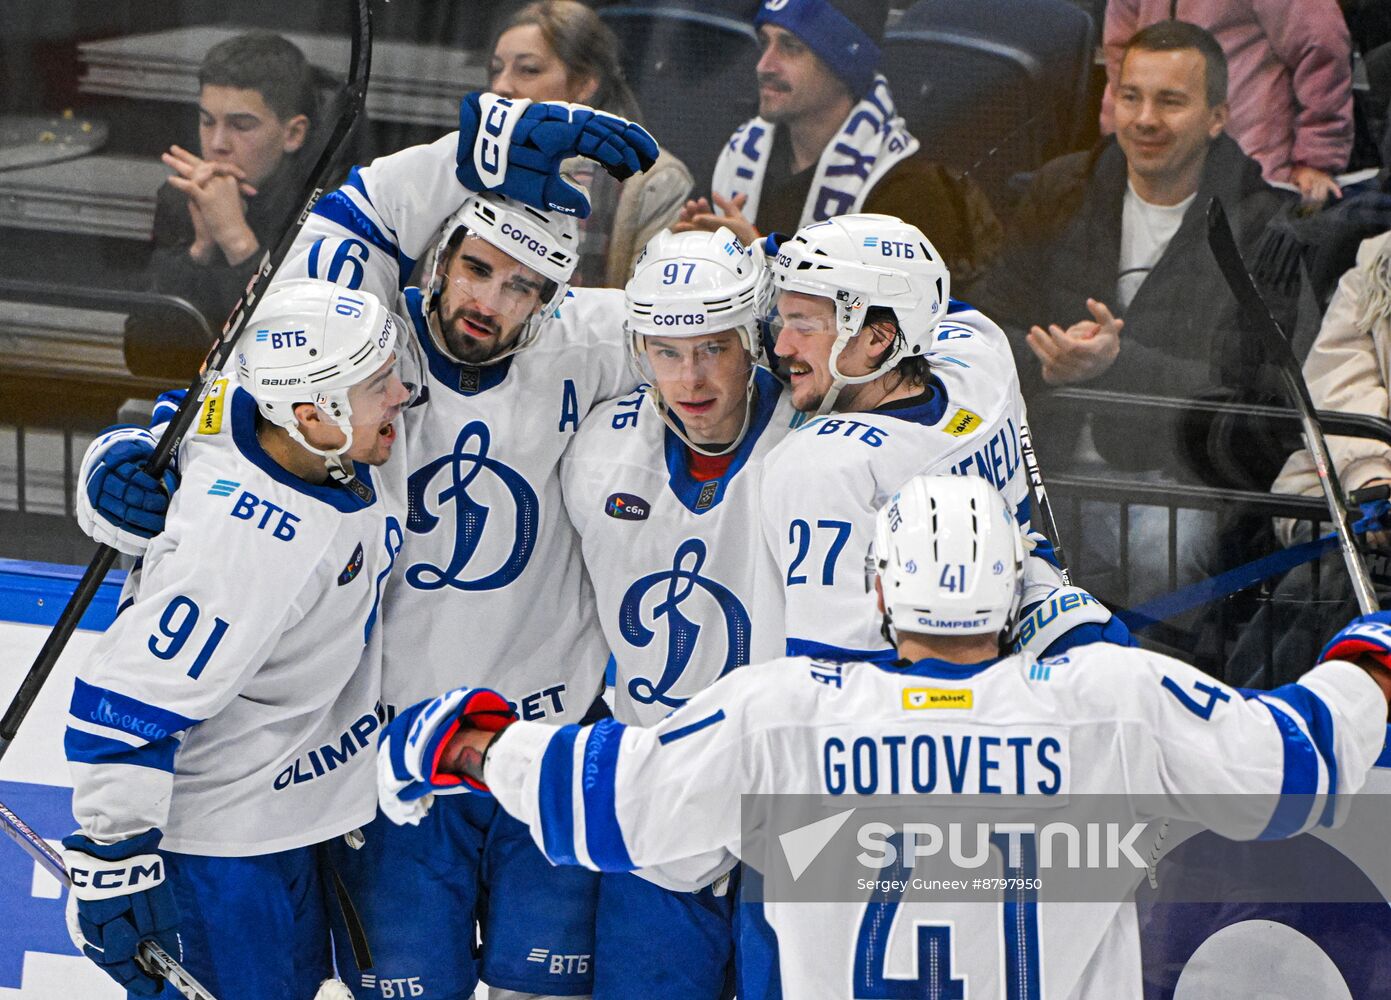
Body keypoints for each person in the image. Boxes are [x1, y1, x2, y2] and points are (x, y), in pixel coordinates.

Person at [378, 472, 1391, 999]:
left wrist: (466, 743)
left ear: (875, 592)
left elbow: (606, 800)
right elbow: (1286, 768)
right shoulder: (1105, 698)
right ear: (1012, 593)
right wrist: (1368, 658)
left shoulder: (783, 708)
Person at [73, 94, 662, 1000]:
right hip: (388, 768)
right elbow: (330, 252)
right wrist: (132, 471)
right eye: (475, 268)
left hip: (530, 739)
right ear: (438, 257)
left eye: (520, 287)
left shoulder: (580, 344)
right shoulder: (357, 338)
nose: (487, 301)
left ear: (551, 302)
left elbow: (750, 331)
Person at [63, 279, 412, 998]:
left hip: (288, 820)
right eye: (381, 385)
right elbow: (125, 707)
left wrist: (131, 448)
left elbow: (200, 411)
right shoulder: (245, 548)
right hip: (215, 854)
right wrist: (114, 861)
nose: (403, 396)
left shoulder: (266, 412)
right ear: (317, 414)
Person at [974, 20, 1303, 602]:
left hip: (1175, 488)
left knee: (1162, 552)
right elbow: (983, 320)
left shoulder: (1260, 225)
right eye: (1131, 97)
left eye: (1170, 101)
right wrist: (1047, 358)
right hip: (1039, 469)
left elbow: (1256, 395)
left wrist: (1116, 363)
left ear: (1218, 117)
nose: (1145, 119)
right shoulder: (1061, 189)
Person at [559, 226, 797, 998]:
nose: (689, 376)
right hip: (656, 791)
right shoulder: (597, 455)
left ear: (753, 340)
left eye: (712, 349)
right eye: (666, 351)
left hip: (787, 802)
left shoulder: (815, 447)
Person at [758, 212, 1128, 664]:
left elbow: (834, 671)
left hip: (934, 699)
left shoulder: (824, 468)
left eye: (804, 326)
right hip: (1043, 630)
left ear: (877, 338)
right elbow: (924, 295)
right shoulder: (980, 352)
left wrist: (750, 256)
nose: (781, 346)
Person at [675, 0, 1002, 293]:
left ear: (844, 64)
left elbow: (894, 337)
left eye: (790, 47)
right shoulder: (741, 155)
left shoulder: (910, 189)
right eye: (765, 43)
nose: (764, 65)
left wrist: (762, 264)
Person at [490, 0, 693, 286]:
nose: (501, 85)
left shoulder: (654, 179)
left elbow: (646, 313)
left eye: (528, 69)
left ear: (585, 83)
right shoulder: (475, 160)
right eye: (497, 69)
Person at [1100, 0, 1353, 206]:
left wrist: (1315, 159)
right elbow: (1119, 55)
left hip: (1249, 174)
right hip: (1147, 175)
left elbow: (1322, 48)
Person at [149, 32, 319, 326]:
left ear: (293, 134)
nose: (217, 144)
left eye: (240, 126)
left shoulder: (324, 211)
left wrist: (237, 242)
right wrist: (200, 251)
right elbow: (143, 354)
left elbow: (295, 343)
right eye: (207, 121)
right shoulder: (181, 198)